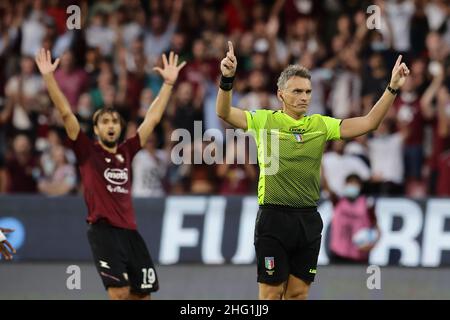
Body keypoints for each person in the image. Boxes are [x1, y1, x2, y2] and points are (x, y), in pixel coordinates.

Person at [215, 41, 409, 300]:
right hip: (273, 218)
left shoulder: (319, 124)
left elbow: (369, 123)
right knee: (271, 294)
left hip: (307, 220)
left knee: (298, 294)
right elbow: (224, 111)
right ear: (281, 94)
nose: (304, 97)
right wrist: (227, 79)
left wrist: (392, 87)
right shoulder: (264, 120)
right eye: (297, 91)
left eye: (307, 91)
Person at [35, 48, 185, 300]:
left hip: (130, 233)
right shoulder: (86, 150)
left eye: (115, 121)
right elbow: (65, 113)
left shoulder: (127, 150)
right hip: (103, 232)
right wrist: (49, 77)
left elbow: (152, 119)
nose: (111, 125)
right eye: (104, 121)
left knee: (143, 296)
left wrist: (168, 84)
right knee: (119, 293)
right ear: (95, 129)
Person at [329, 174, 380, 264]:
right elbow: (327, 189)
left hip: (359, 256)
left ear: (360, 186)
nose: (352, 186)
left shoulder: (367, 205)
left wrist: (372, 244)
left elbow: (377, 229)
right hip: (338, 254)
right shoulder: (338, 201)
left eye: (355, 184)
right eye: (350, 183)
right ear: (345, 185)